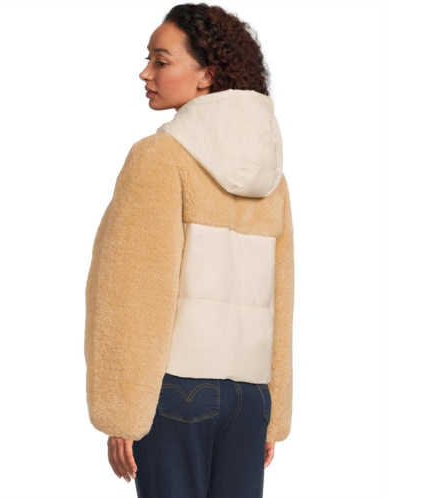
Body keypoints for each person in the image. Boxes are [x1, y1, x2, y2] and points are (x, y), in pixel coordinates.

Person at [84, 4, 295, 497]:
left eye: (160, 60)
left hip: (176, 394)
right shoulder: (271, 176)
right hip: (251, 398)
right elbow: (281, 299)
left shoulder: (159, 158)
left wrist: (121, 411)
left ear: (207, 75)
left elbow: (132, 292)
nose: (146, 73)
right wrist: (274, 411)